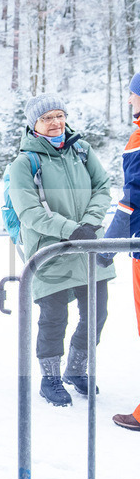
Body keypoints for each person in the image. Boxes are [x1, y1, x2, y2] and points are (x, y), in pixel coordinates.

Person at [7, 94, 115, 407]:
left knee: (97, 314)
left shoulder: (82, 150)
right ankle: (50, 378)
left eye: (59, 115)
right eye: (47, 118)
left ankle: (76, 370)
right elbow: (29, 212)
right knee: (54, 318)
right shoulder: (24, 164)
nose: (56, 123)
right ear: (34, 124)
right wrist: (71, 231)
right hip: (51, 252)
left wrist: (91, 224)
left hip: (90, 245)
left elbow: (103, 187)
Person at [107, 72, 140, 431]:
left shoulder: (138, 138)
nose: (131, 101)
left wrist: (107, 245)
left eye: (133, 95)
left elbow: (132, 199)